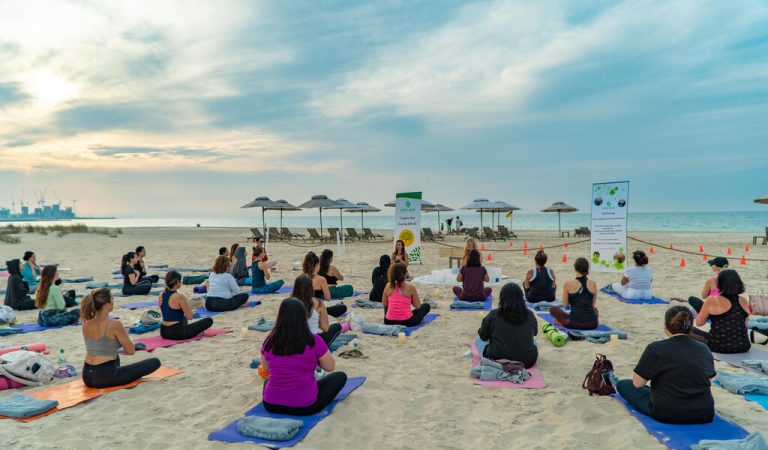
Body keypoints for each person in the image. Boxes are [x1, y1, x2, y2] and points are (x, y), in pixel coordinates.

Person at [615, 306, 715, 424]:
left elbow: (637, 383)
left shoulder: (656, 348)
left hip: (668, 413)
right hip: (704, 412)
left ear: (665, 326)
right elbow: (709, 378)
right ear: (690, 327)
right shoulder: (704, 348)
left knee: (623, 385)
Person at [260, 298, 347, 415]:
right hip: (304, 406)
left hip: (271, 405)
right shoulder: (314, 340)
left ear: (280, 316)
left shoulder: (269, 340)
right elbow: (330, 367)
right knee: (340, 377)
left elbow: (265, 368)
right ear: (304, 316)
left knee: (269, 380)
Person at [81, 288, 161, 388]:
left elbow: (101, 346)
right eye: (112, 299)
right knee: (155, 362)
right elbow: (130, 351)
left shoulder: (86, 323)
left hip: (87, 375)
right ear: (107, 305)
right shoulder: (114, 324)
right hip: (104, 377)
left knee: (115, 356)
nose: (113, 301)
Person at [689, 269, 751, 354]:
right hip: (743, 345)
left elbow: (699, 323)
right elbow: (745, 325)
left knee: (689, 330)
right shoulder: (743, 300)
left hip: (719, 346)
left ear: (720, 284)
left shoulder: (712, 301)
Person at [478, 283, 538, 368]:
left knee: (479, 340)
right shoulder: (529, 314)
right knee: (533, 342)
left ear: (502, 298)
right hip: (528, 361)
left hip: (497, 359)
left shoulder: (494, 314)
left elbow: (483, 337)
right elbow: (535, 332)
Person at [159, 271, 213, 340]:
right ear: (177, 282)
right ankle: (196, 333)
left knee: (184, 318)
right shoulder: (180, 297)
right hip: (176, 333)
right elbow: (190, 316)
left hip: (163, 331)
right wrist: (191, 313)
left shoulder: (161, 295)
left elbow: (168, 313)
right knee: (209, 320)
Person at [549, 258, 599, 330]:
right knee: (595, 310)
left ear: (575, 268)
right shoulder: (593, 283)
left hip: (574, 323)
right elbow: (592, 305)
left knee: (553, 309)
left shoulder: (568, 283)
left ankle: (561, 323)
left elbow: (565, 304)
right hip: (592, 324)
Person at [293, 274, 342, 346]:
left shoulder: (288, 303)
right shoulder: (318, 303)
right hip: (312, 343)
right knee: (337, 326)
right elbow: (325, 328)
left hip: (292, 341)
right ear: (311, 288)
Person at [302, 252, 347, 318]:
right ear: (317, 265)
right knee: (342, 307)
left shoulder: (300, 278)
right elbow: (328, 298)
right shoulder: (321, 279)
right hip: (316, 311)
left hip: (302, 310)